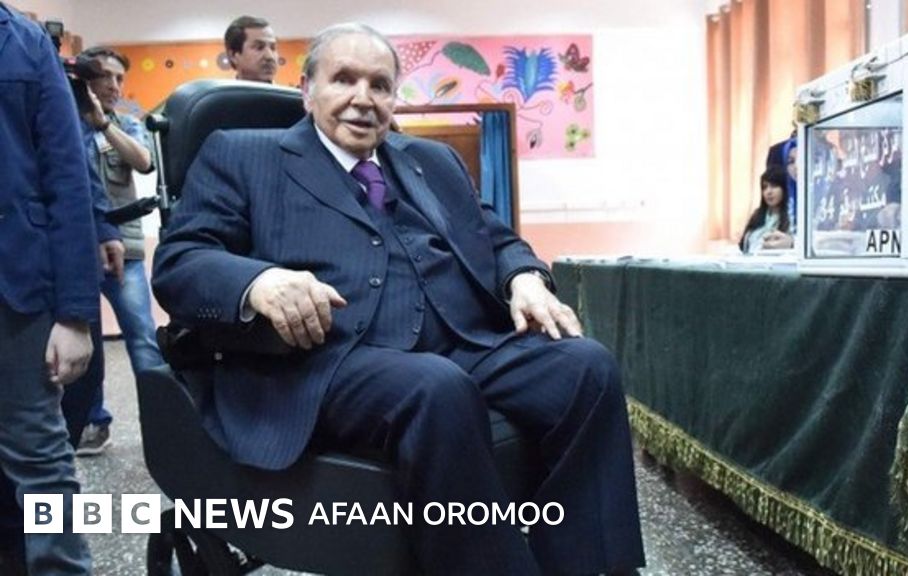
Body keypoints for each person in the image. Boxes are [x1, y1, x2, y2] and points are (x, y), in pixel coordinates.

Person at [153, 22, 644, 576]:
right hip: (330, 357)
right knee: (436, 387)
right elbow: (180, 261)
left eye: (380, 85)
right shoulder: (244, 155)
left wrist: (524, 278)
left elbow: (496, 240)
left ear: (393, 99)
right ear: (307, 90)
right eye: (344, 79)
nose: (363, 98)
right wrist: (259, 282)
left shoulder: (434, 161)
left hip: (463, 340)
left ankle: (588, 566)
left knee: (587, 367)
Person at [0, 3, 101, 573]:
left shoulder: (26, 43)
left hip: (16, 287)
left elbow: (67, 178)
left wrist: (76, 313)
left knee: (41, 460)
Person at [74, 46, 162, 456]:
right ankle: (94, 423)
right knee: (86, 343)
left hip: (123, 252)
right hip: (78, 251)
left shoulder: (124, 124)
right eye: (104, 77)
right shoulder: (63, 122)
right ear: (85, 82)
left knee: (142, 337)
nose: (113, 85)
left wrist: (104, 124)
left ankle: (162, 424)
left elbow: (143, 161)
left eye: (119, 78)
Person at [739, 166, 793, 253]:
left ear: (784, 189)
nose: (769, 192)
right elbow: (743, 246)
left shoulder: (791, 217)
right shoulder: (757, 216)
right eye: (765, 187)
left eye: (774, 186)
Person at [224, 15, 278, 83]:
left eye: (273, 48)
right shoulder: (220, 90)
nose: (269, 56)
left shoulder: (288, 90)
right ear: (233, 56)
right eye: (259, 47)